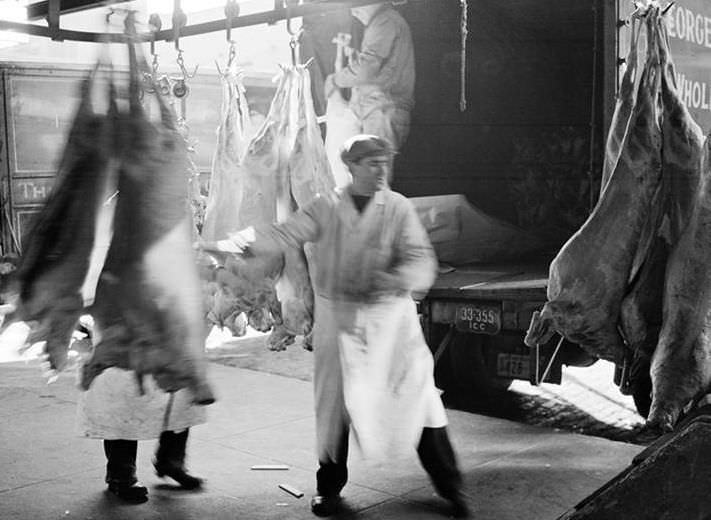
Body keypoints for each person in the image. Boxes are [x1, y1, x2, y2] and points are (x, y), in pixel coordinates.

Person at [210, 135, 469, 518]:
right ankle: (328, 488)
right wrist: (234, 243)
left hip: (389, 318)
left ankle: (451, 487)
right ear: (351, 166)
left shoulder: (396, 207)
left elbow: (419, 259)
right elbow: (284, 233)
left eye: (385, 162)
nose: (381, 170)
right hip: (338, 316)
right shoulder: (327, 206)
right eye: (371, 163)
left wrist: (394, 279)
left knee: (419, 399)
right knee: (334, 406)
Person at [324, 3, 415, 151]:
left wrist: (335, 80)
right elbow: (377, 68)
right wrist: (354, 59)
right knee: (370, 169)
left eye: (357, 5)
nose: (354, 12)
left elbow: (367, 70)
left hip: (383, 112)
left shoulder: (385, 22)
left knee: (374, 170)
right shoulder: (385, 22)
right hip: (381, 111)